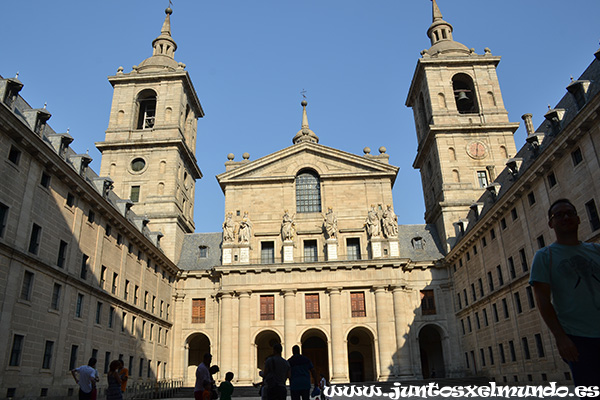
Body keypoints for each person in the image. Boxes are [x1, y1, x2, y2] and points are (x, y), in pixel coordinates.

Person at [530, 198, 600, 388]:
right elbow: (543, 300)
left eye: (570, 213)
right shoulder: (545, 256)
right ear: (551, 224)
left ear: (579, 219)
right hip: (578, 337)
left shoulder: (596, 250)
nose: (566, 217)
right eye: (559, 215)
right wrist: (560, 337)